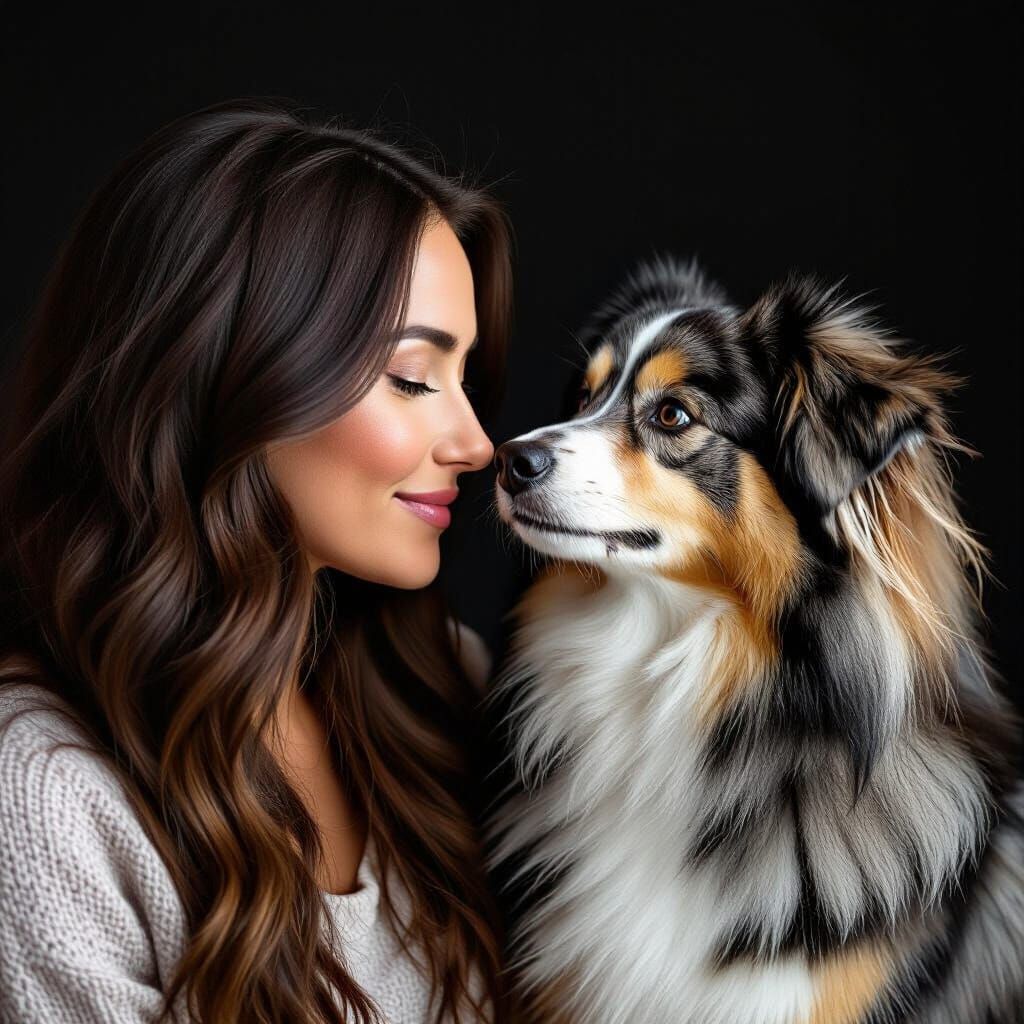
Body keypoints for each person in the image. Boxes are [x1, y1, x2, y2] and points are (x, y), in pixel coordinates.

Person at [0, 97, 515, 1024]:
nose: (478, 444)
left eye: (464, 379)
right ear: (229, 374)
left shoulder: (452, 689)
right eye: (411, 377)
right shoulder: (45, 801)